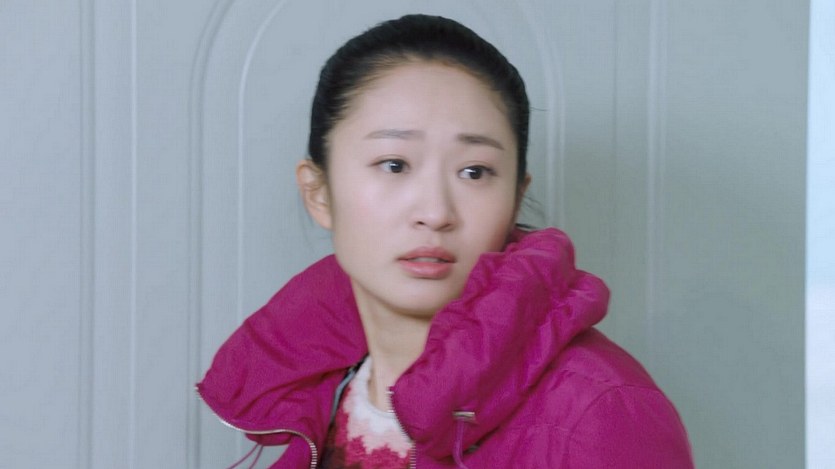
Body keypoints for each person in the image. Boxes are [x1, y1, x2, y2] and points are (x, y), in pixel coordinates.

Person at [197, 14, 694, 469]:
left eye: (474, 172)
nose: (435, 212)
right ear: (318, 192)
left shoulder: (601, 413)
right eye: (394, 165)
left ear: (515, 199)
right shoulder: (316, 391)